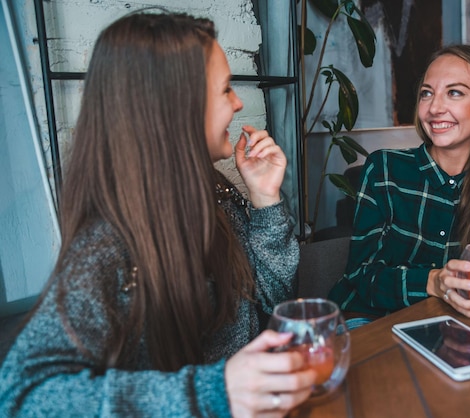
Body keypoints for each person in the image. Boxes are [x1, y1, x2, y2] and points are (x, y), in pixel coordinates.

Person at [0, 11, 315, 418]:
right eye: (224, 90)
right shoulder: (108, 242)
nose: (239, 103)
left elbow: (272, 302)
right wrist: (214, 393)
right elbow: (22, 396)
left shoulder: (213, 193)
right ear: (176, 107)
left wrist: (264, 199)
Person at [328, 44, 470, 323]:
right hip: (371, 320)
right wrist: (432, 282)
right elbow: (361, 276)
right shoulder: (385, 169)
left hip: (454, 326)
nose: (435, 108)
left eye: (454, 92)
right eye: (427, 93)